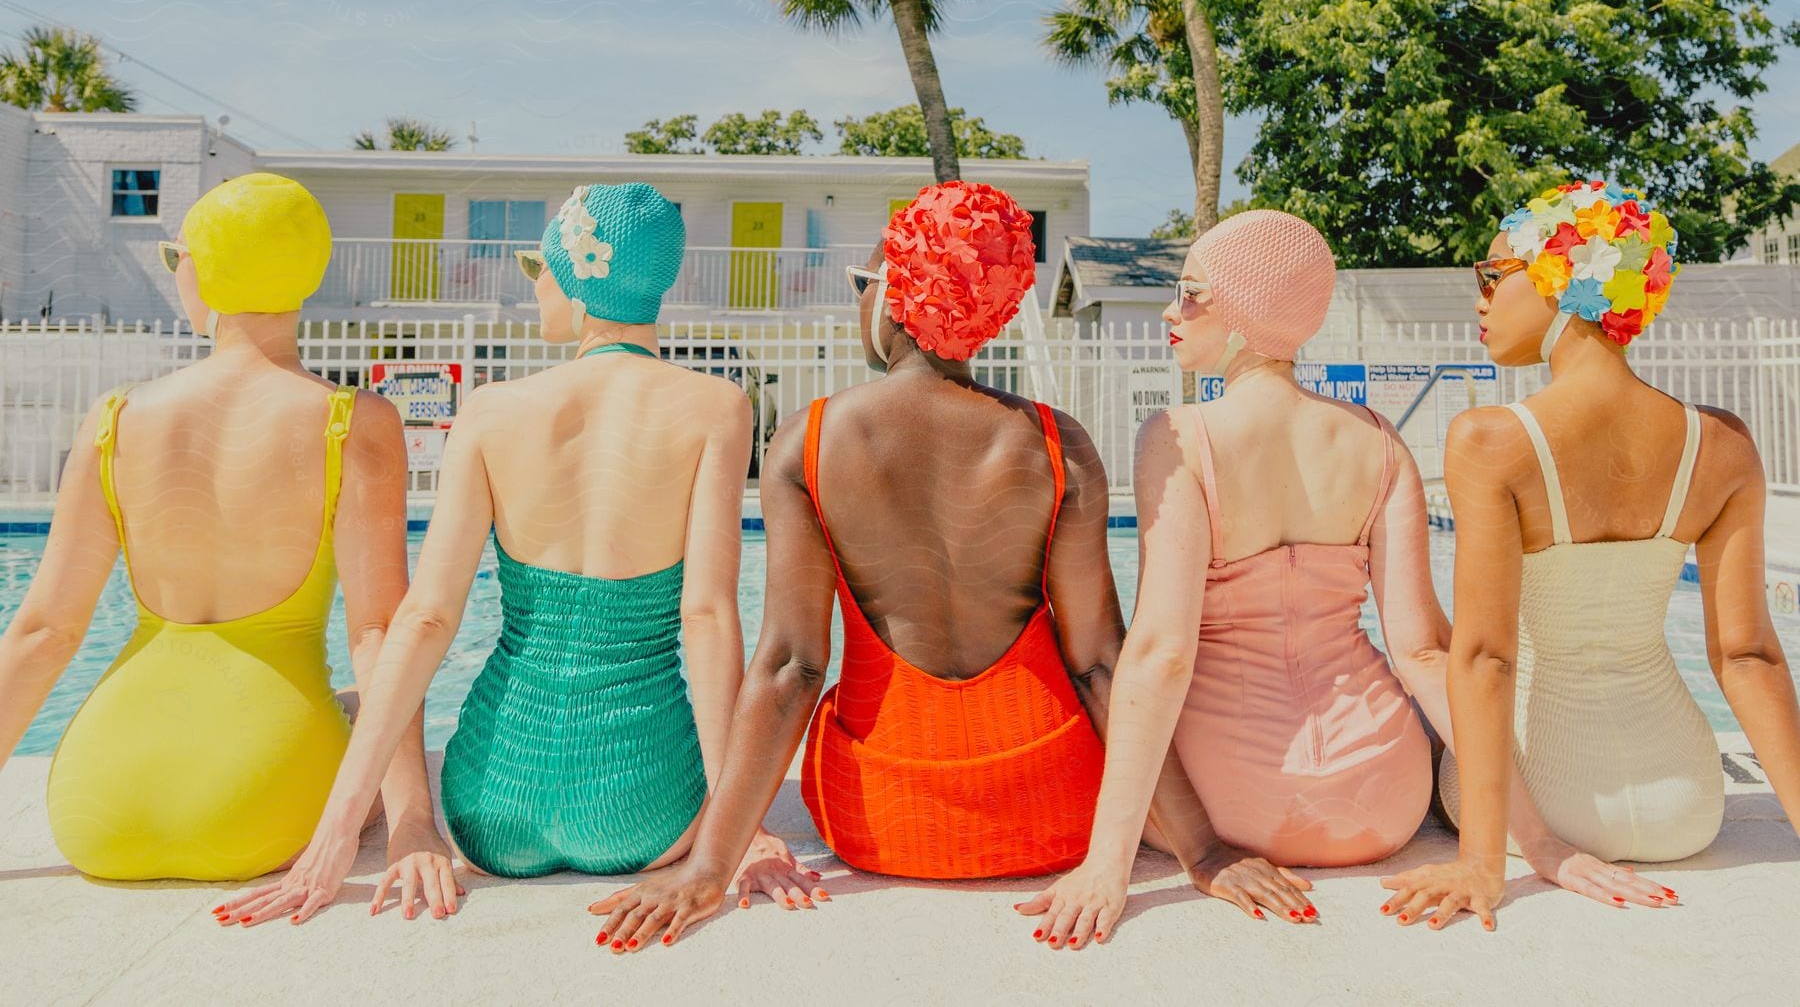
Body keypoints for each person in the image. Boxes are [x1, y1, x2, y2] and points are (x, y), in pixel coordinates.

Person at [1021, 208, 1675, 950]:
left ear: (1246, 310)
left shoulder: (1182, 440)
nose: (1175, 311)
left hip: (1232, 798)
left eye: (1195, 293)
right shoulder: (1376, 440)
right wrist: (1543, 843)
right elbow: (1425, 654)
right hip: (1382, 799)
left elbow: (1160, 655)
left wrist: (1106, 865)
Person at [591, 181, 1218, 953]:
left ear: (895, 295)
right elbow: (1102, 664)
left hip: (877, 817)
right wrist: (1205, 851)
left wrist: (709, 866)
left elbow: (790, 667)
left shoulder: (811, 442)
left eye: (866, 283)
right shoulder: (1056, 445)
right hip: (1053, 807)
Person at [217, 181, 783, 927]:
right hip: (647, 807)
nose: (536, 287)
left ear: (581, 283)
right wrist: (738, 834)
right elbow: (708, 617)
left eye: (540, 269)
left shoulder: (493, 410)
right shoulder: (717, 407)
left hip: (493, 808)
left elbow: (425, 620)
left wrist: (336, 836)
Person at [0, 172, 438, 890]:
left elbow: (45, 632)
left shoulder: (114, 419)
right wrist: (412, 821)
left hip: (99, 806)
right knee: (360, 708)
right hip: (260, 803)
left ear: (202, 270)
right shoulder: (350, 423)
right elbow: (380, 635)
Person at [1384, 178, 1800, 931]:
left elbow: (1484, 658)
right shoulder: (1723, 443)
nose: (1475, 298)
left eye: (1490, 274)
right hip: (1687, 803)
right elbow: (1747, 657)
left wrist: (1483, 862)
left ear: (1558, 280)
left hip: (1545, 801)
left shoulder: (1492, 440)